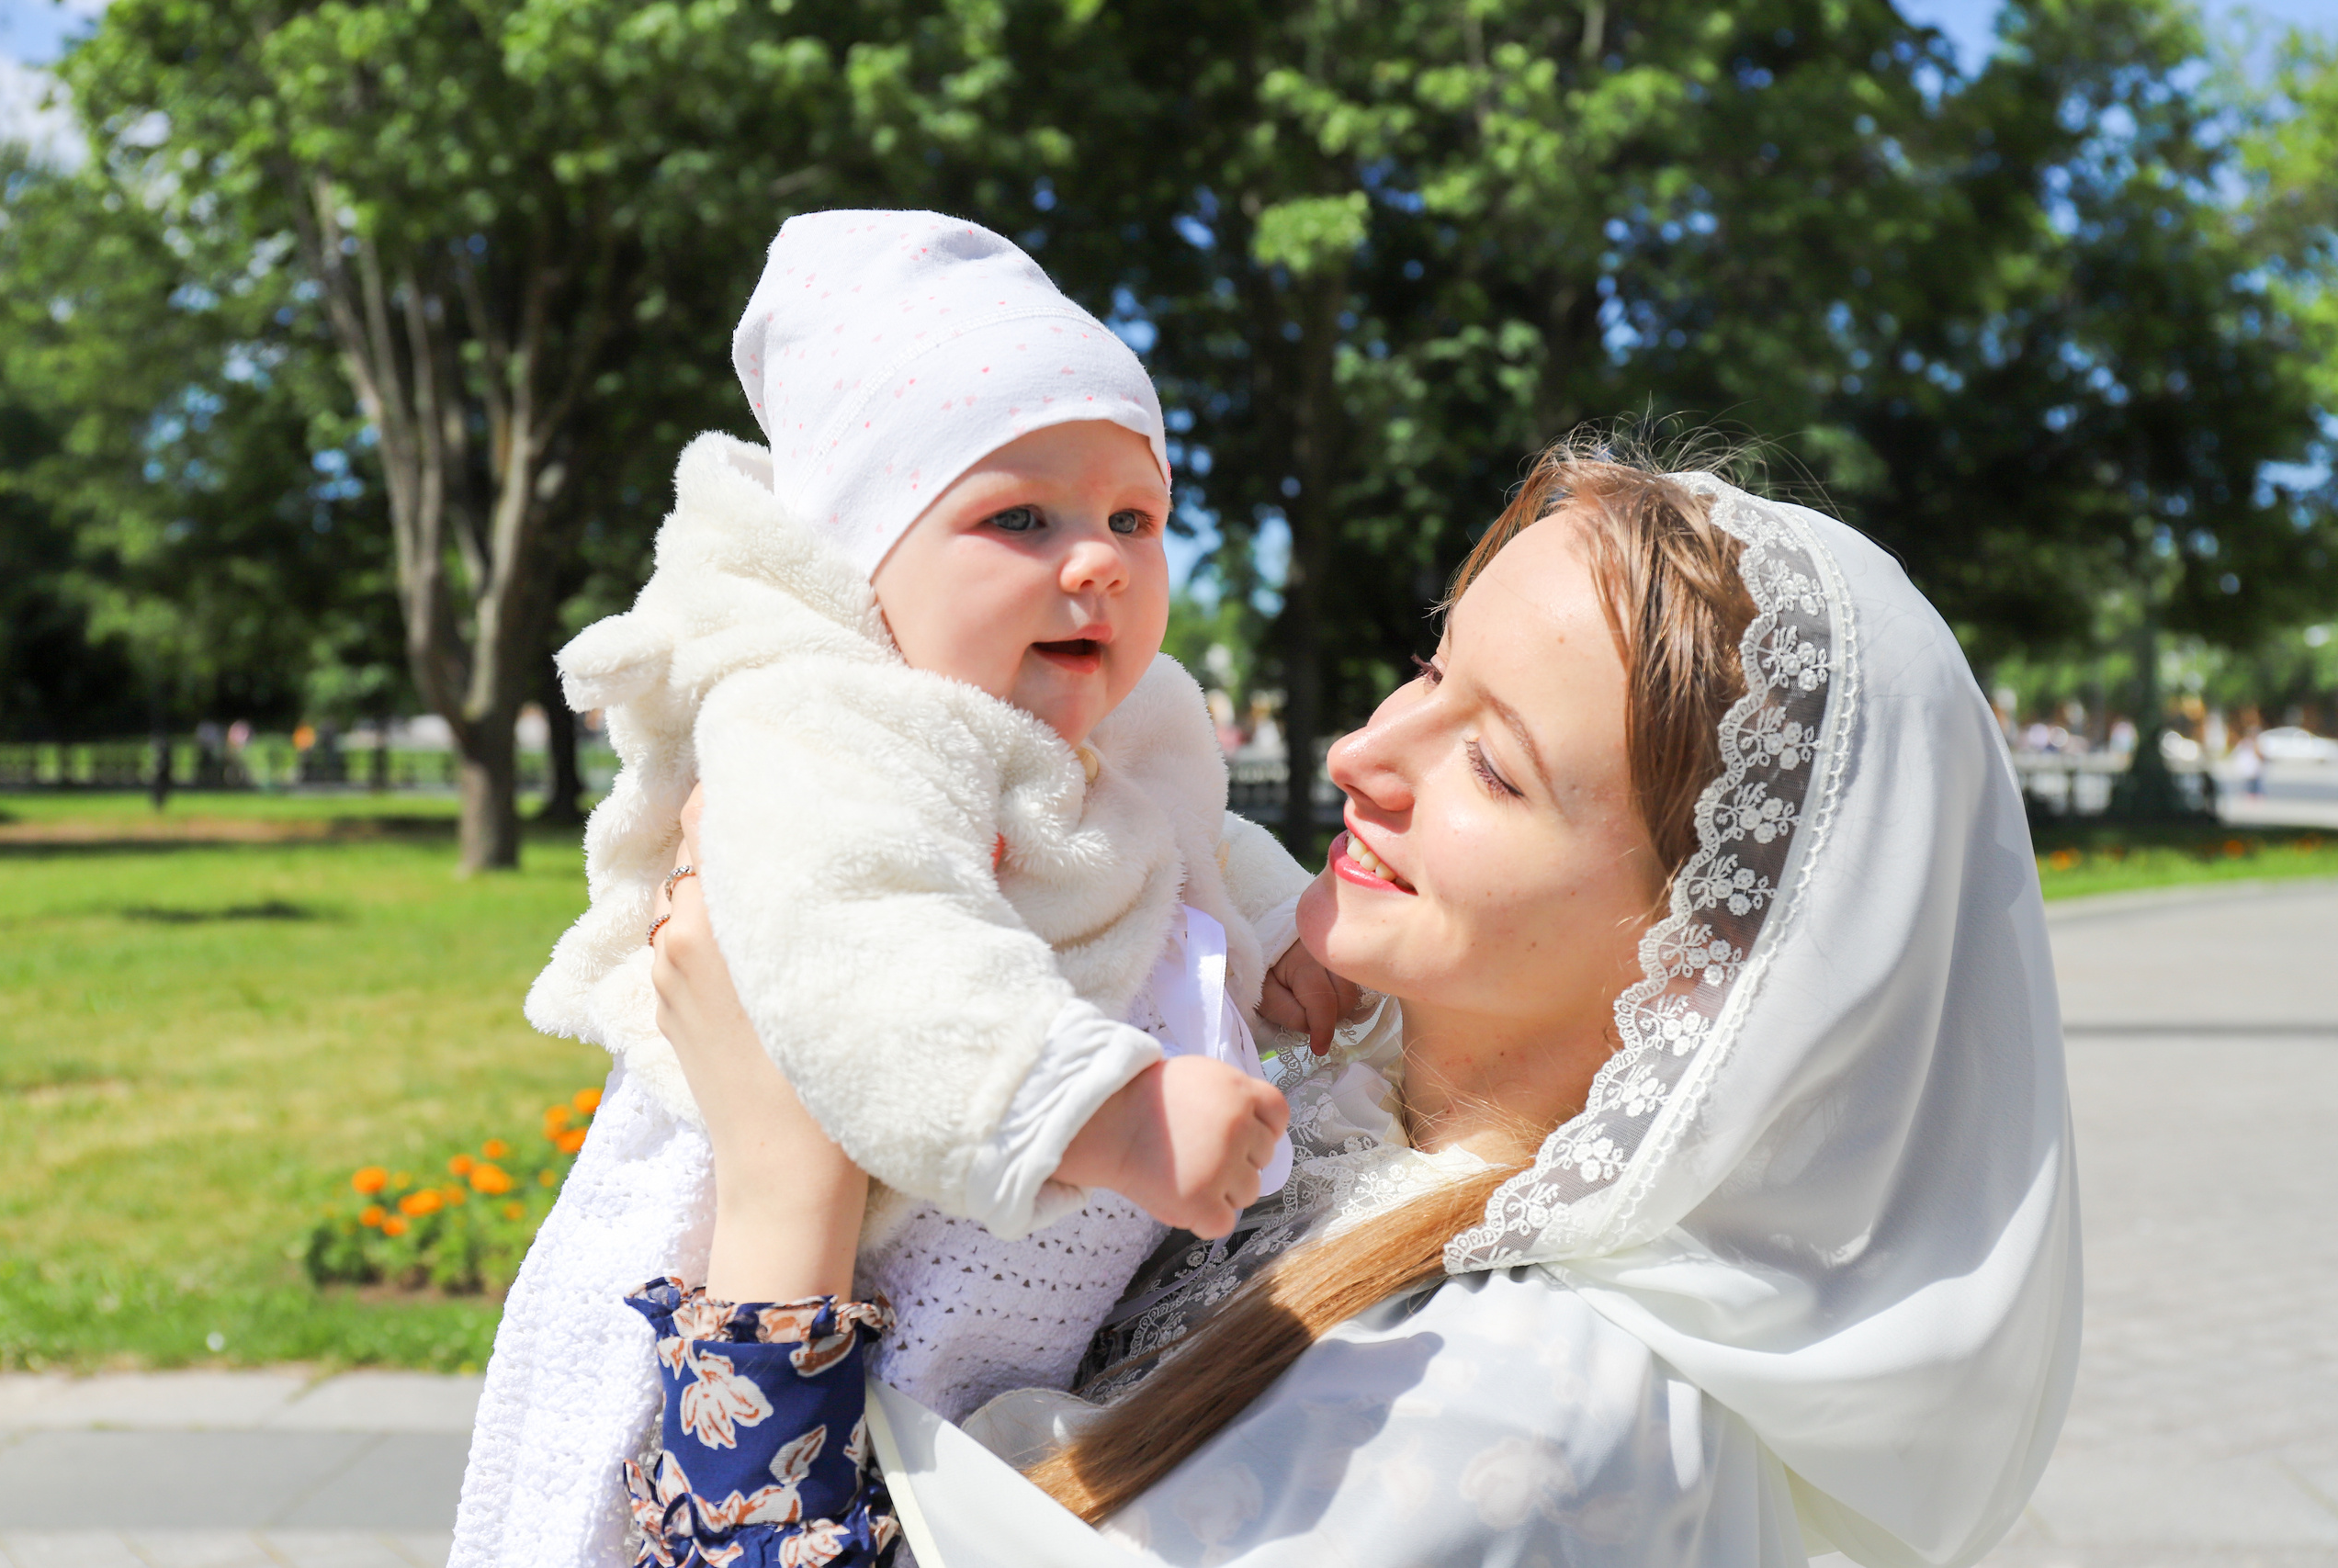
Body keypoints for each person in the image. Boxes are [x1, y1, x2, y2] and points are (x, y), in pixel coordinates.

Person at [635, 445, 2081, 1566]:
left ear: (1706, 951)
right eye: (1430, 671)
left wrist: (780, 1189)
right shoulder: (1324, 1115)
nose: (1360, 752)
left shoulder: (1524, 1416)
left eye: (1494, 767)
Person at [451, 214, 1355, 1568]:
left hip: (991, 1300)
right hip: (802, 1266)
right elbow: (863, 929)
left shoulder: (1126, 718)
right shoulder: (828, 719)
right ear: (860, 556)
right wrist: (1095, 1109)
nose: (1100, 560)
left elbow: (1188, 838)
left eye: (1135, 516)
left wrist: (1278, 932)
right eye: (1020, 519)